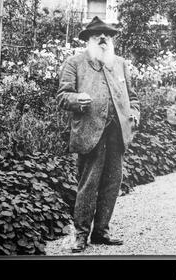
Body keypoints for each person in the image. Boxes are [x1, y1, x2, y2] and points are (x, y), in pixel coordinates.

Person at [57, 16, 140, 253]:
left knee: (112, 183)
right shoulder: (75, 63)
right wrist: (77, 100)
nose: (103, 40)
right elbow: (62, 96)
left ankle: (101, 232)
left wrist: (134, 115)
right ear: (88, 40)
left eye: (108, 36)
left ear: (112, 39)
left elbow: (133, 98)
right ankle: (81, 235)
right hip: (90, 132)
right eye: (97, 36)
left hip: (117, 133)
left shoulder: (121, 64)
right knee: (88, 184)